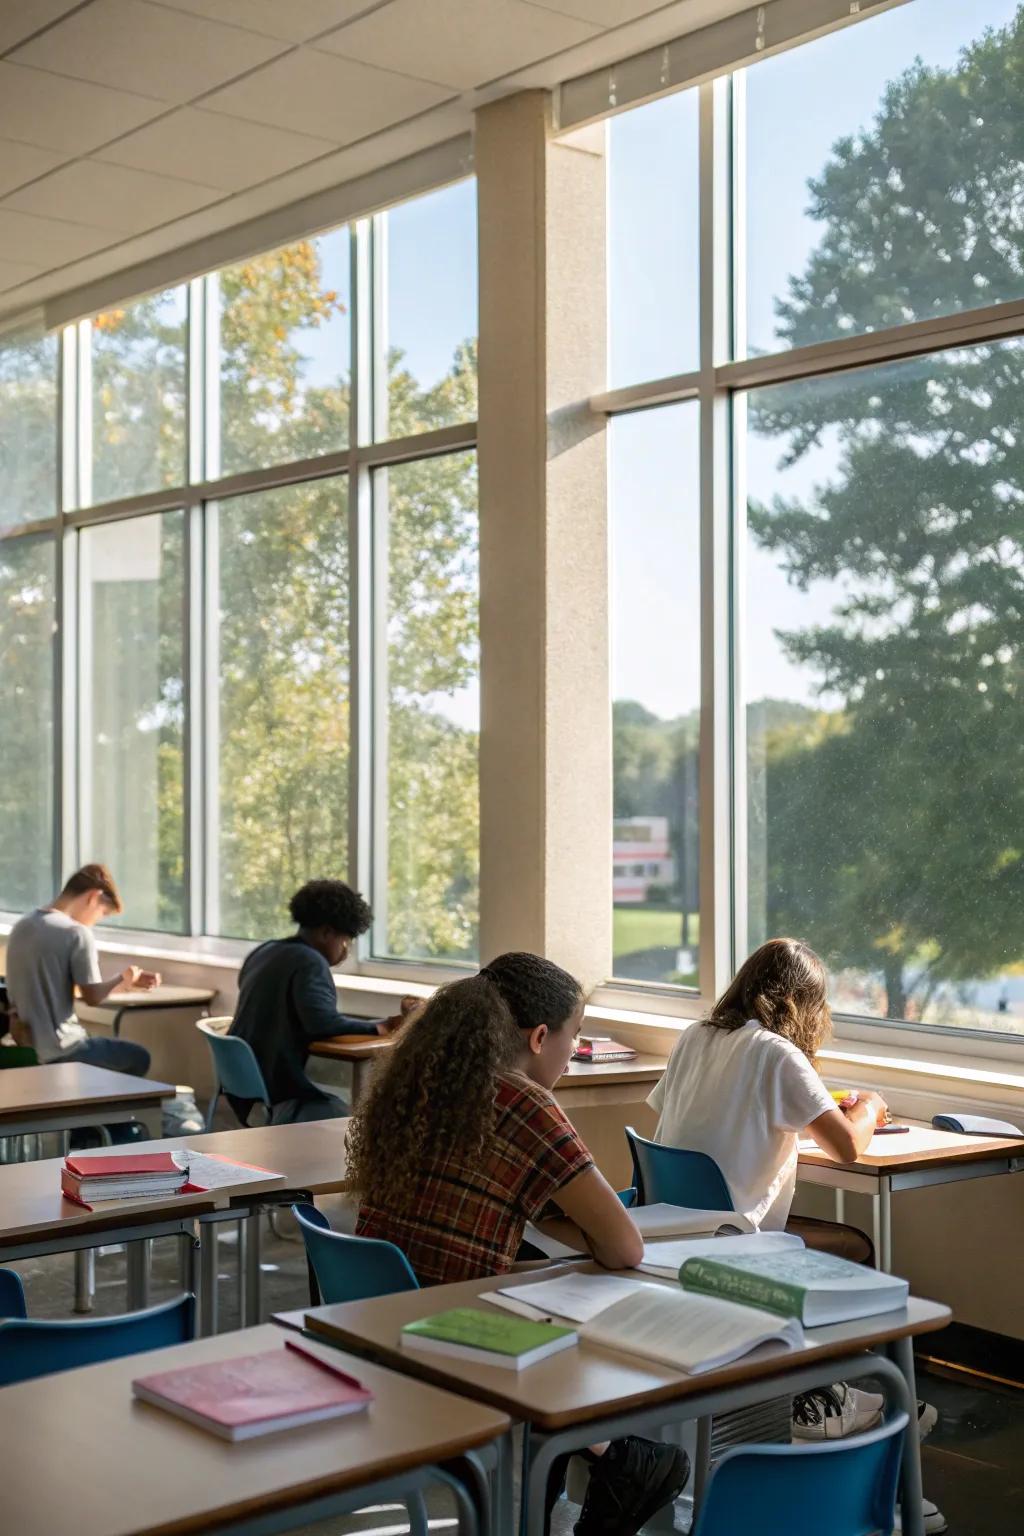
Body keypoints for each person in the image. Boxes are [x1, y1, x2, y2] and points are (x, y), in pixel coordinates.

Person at [348, 951, 690, 1536]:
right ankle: (614, 1465)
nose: (572, 1051)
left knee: (545, 1281)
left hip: (380, 1321)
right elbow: (626, 1249)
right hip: (456, 1343)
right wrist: (594, 1227)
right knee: (589, 1320)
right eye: (574, 1035)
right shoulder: (525, 1102)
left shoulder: (422, 1080)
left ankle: (615, 1462)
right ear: (539, 1038)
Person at [648, 936, 943, 1530]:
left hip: (673, 1237)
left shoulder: (695, 1037)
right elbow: (847, 1147)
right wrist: (870, 1106)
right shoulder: (777, 1053)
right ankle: (836, 1404)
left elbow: (697, 1123)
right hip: (739, 1245)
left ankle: (823, 1399)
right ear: (801, 1004)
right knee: (856, 1248)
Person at [228, 879, 408, 1125]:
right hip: (282, 1092)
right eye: (346, 940)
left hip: (246, 1087)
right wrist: (382, 1026)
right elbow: (322, 1023)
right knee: (366, 1117)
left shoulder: (265, 951)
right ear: (326, 933)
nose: (347, 949)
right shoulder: (309, 962)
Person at [5, 864, 156, 1075]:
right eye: (102, 913)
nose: (96, 921)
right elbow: (92, 997)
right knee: (139, 1057)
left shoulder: (23, 925)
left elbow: (56, 989)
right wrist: (122, 978)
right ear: (94, 897)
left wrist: (124, 984)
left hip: (27, 1049)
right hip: (64, 1050)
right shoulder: (76, 933)